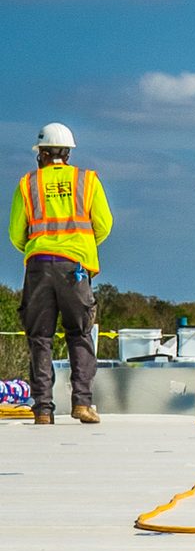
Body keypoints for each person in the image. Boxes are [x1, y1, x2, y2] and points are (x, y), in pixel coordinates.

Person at [9, 124, 112, 426]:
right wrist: (80, 247)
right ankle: (82, 404)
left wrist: (40, 247)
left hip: (38, 266)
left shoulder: (28, 184)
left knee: (40, 338)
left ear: (40, 154)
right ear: (67, 153)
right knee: (79, 335)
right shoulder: (87, 181)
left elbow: (17, 234)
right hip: (75, 270)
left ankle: (43, 410)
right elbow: (104, 225)